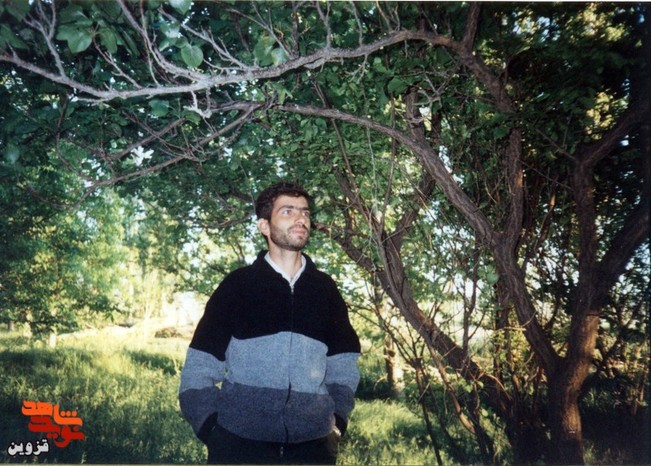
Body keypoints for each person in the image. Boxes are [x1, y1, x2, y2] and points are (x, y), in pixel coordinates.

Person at [179, 181, 361, 465]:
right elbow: (199, 367)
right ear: (264, 226)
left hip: (313, 449)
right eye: (288, 211)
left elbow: (344, 366)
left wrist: (336, 425)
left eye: (305, 212)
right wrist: (212, 429)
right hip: (238, 447)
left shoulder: (325, 290)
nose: (300, 218)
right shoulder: (237, 286)